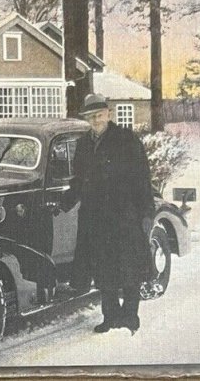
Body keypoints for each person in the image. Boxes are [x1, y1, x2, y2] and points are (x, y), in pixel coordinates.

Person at [70, 93, 155, 335]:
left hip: (124, 216)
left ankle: (130, 317)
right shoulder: (83, 144)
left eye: (99, 115)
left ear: (109, 114)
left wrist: (146, 213)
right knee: (103, 270)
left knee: (129, 268)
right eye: (90, 116)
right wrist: (64, 202)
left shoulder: (126, 140)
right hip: (95, 218)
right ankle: (110, 317)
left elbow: (142, 179)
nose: (95, 120)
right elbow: (78, 180)